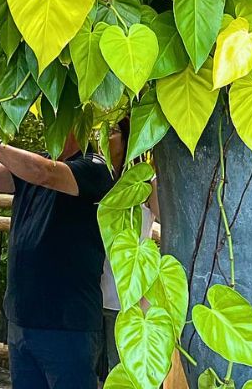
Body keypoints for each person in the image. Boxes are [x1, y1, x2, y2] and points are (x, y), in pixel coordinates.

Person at [0, 129, 113, 389]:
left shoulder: (94, 167)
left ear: (78, 122)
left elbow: (46, 173)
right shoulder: (30, 164)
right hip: (22, 319)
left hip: (67, 325)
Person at [99, 120, 158, 381]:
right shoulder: (95, 174)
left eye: (112, 132)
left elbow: (171, 219)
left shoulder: (145, 181)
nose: (103, 137)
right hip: (90, 296)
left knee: (122, 374)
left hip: (126, 301)